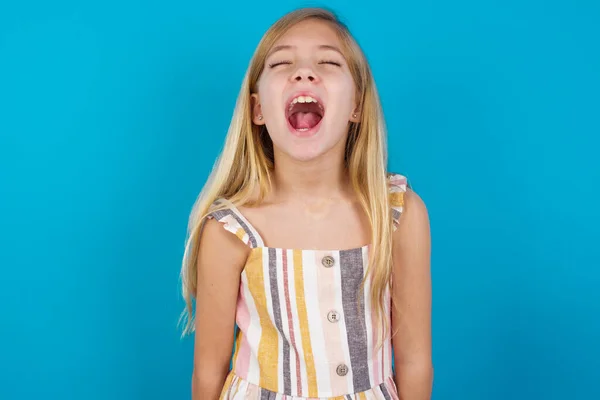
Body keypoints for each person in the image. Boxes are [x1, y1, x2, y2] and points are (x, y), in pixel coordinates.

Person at [180, 7, 433, 400]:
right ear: (257, 110)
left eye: (328, 62)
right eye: (282, 63)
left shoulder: (398, 215)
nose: (303, 73)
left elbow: (415, 363)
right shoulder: (230, 230)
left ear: (357, 108)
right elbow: (208, 373)